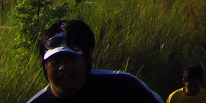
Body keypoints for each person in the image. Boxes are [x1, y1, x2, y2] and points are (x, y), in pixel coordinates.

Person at [27, 19, 163, 103]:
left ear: (88, 56)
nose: (64, 67)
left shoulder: (124, 87)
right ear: (43, 63)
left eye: (73, 58)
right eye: (56, 60)